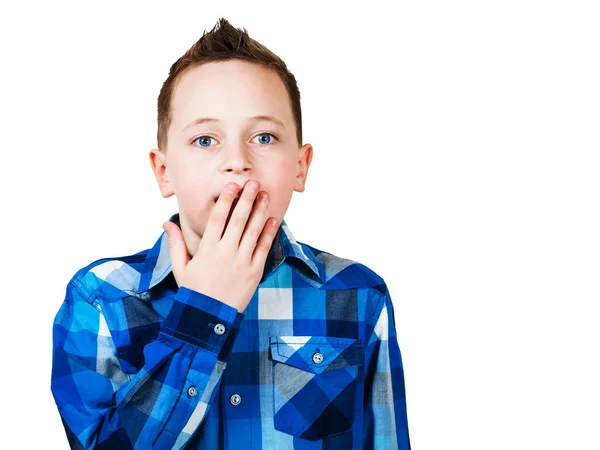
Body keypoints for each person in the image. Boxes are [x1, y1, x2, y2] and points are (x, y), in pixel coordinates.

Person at [51, 17, 411, 450]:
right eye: (205, 140)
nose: (237, 161)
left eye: (263, 136)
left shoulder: (357, 294)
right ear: (164, 172)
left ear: (301, 166)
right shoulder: (102, 297)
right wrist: (204, 314)